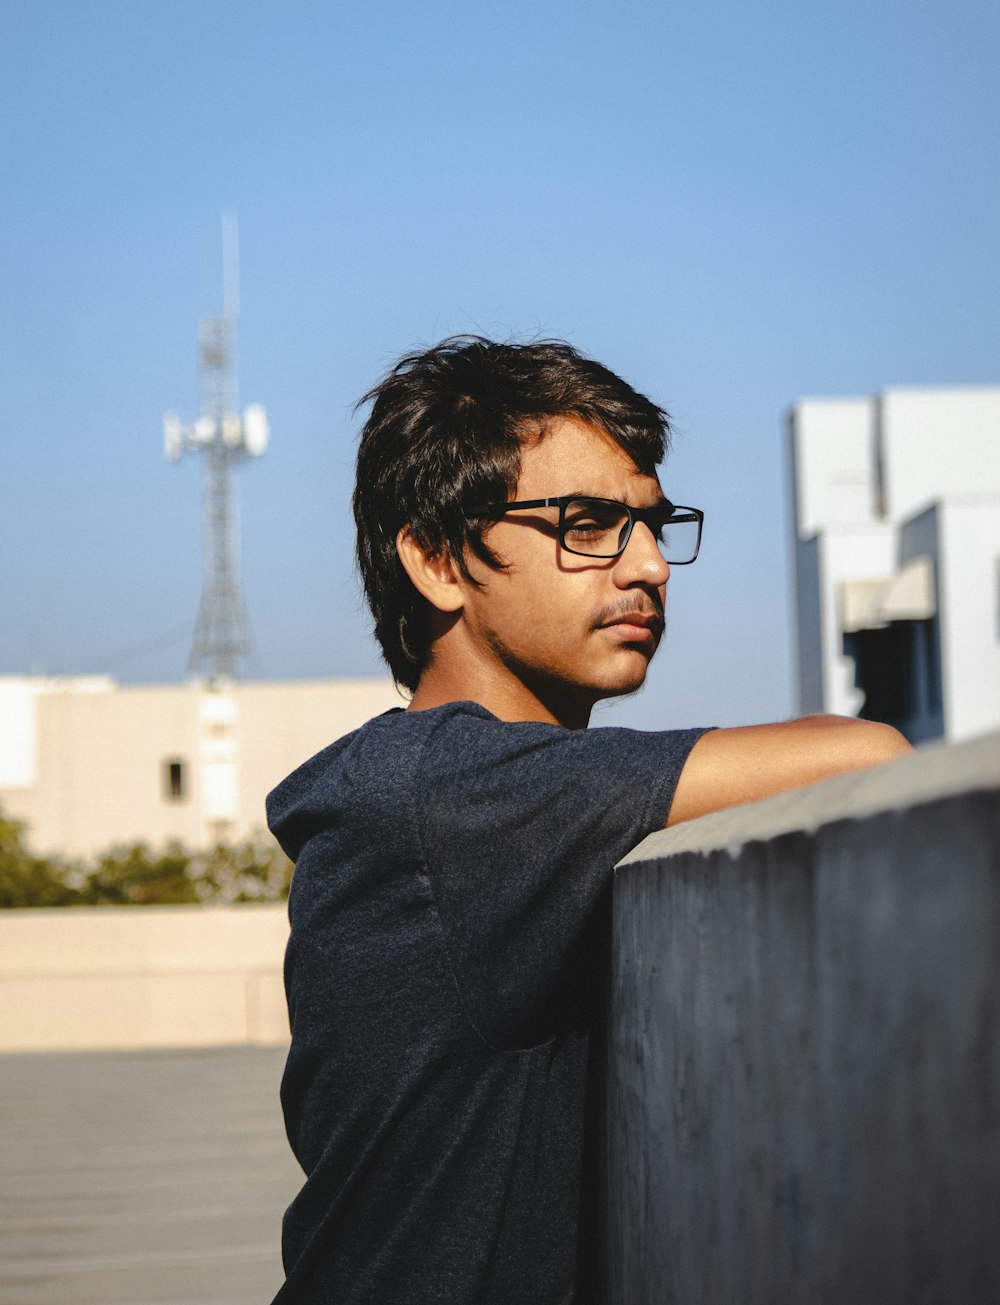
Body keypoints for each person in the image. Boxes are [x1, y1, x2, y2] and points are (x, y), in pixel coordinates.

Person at [266, 337, 908, 1304]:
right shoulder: (454, 791)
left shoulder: (432, 781)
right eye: (589, 524)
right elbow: (867, 755)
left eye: (652, 524)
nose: (648, 565)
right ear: (438, 558)